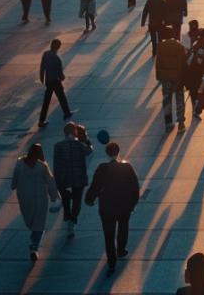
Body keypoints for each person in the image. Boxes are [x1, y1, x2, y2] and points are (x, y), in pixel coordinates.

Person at [84, 141, 141, 277]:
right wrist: (133, 204)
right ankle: (121, 249)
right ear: (118, 151)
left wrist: (89, 199)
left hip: (107, 207)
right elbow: (135, 188)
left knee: (108, 235)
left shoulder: (102, 168)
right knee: (123, 227)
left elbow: (95, 186)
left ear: (107, 153)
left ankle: (111, 260)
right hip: (123, 206)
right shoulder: (127, 167)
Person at [11, 143, 59, 261]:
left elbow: (15, 178)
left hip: (24, 196)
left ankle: (34, 239)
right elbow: (50, 182)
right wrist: (54, 196)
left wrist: (14, 185)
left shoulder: (20, 163)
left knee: (30, 218)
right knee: (39, 223)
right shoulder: (42, 166)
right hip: (40, 198)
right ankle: (34, 246)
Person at [52, 122, 93, 234]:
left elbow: (56, 165)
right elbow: (89, 151)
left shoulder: (58, 146)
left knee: (65, 199)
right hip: (78, 177)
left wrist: (57, 181)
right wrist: (86, 139)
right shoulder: (79, 144)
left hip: (64, 178)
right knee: (77, 200)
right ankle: (73, 219)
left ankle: (67, 215)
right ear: (75, 132)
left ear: (64, 133)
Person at [156, 27, 188, 132]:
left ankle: (168, 122)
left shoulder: (160, 46)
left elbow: (158, 63)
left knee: (167, 100)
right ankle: (181, 123)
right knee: (179, 99)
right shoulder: (179, 46)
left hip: (165, 78)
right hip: (177, 77)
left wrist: (159, 76)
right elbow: (183, 63)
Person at [38, 38, 74, 128]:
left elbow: (42, 67)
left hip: (49, 80)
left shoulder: (45, 54)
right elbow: (60, 73)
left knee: (46, 100)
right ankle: (67, 112)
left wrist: (42, 77)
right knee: (61, 97)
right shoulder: (57, 58)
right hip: (55, 81)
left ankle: (41, 120)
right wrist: (62, 77)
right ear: (58, 47)